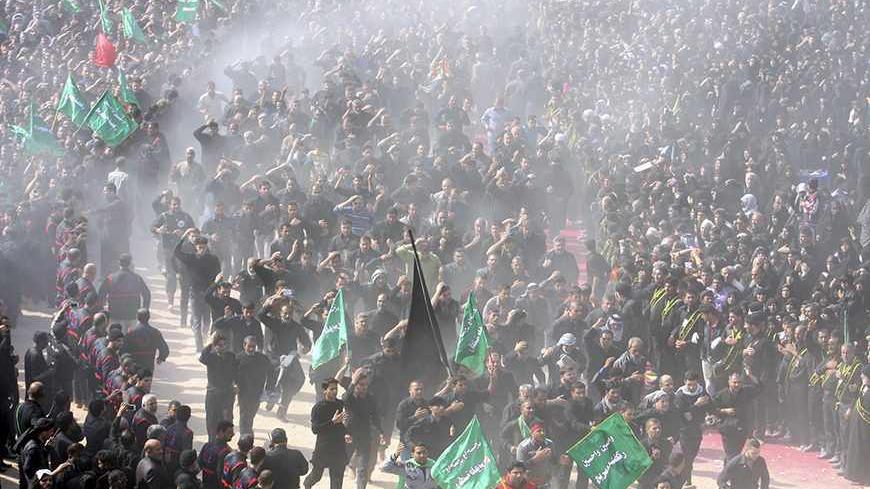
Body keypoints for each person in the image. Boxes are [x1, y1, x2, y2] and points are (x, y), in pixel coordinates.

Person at [175, 229, 222, 351]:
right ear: (195, 247)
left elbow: (219, 275)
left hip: (209, 293)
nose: (201, 249)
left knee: (207, 320)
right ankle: (199, 348)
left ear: (207, 247)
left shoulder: (213, 259)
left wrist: (217, 289)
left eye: (203, 247)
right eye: (199, 247)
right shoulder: (191, 258)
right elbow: (177, 252)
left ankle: (205, 338)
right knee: (196, 321)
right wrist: (184, 236)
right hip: (195, 293)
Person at [303, 378, 348, 489]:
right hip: (323, 448)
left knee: (337, 482)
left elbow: (341, 424)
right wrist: (332, 422)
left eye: (336, 389)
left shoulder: (340, 404)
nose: (334, 391)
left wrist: (347, 433)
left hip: (338, 448)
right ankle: (306, 485)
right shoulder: (318, 408)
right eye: (331, 389)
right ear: (324, 390)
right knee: (316, 476)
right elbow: (315, 429)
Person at [98, 254, 152, 332]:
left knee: (116, 338)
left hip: (115, 315)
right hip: (132, 315)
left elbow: (101, 294)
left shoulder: (110, 278)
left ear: (119, 263)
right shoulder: (137, 278)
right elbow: (147, 294)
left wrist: (102, 310)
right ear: (130, 263)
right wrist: (144, 310)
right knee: (130, 339)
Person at [199, 334, 238, 440]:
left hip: (227, 393)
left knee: (226, 418)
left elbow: (236, 372)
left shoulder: (231, 356)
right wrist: (210, 343)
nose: (222, 347)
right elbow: (202, 358)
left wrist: (236, 385)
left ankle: (224, 441)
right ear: (215, 346)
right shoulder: (210, 357)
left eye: (224, 345)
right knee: (212, 419)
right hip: (213, 392)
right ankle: (212, 441)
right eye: (219, 345)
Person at [236, 336, 271, 436]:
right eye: (249, 346)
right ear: (244, 345)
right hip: (243, 392)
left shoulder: (262, 358)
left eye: (254, 347)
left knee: (251, 413)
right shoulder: (238, 358)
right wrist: (234, 385)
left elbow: (271, 371)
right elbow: (231, 373)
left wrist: (269, 387)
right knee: (244, 414)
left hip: (257, 392)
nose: (251, 349)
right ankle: (244, 436)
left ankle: (248, 431)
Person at [122, 309, 169, 373]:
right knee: (146, 381)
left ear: (137, 317)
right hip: (148, 365)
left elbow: (124, 349)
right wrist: (161, 358)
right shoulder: (155, 332)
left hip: (134, 365)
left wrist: (125, 361)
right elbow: (164, 348)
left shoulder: (131, 332)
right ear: (149, 317)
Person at [199, 421, 234, 489]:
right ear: (221, 432)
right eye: (229, 432)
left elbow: (199, 464)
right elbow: (220, 474)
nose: (233, 434)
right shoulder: (225, 452)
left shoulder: (207, 445)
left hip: (205, 483)